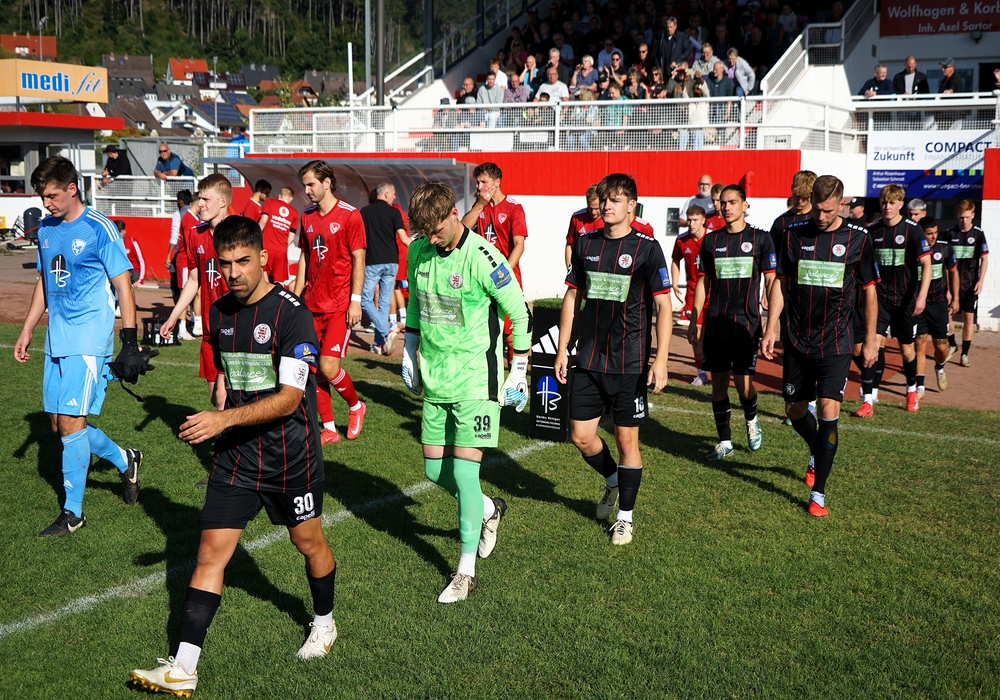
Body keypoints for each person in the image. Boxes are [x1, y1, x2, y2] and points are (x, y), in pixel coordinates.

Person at [130, 217, 339, 697]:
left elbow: (290, 398)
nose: (234, 272)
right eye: (225, 264)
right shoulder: (219, 310)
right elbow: (229, 372)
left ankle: (324, 622)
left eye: (243, 261)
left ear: (264, 258)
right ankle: (184, 667)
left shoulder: (292, 315)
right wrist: (219, 407)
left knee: (308, 544)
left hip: (290, 457)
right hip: (237, 458)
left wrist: (221, 419)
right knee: (209, 553)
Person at [401, 181, 531, 604]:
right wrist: (410, 349)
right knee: (433, 470)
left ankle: (465, 572)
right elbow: (417, 303)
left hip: (477, 378)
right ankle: (489, 509)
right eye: (425, 232)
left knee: (463, 474)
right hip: (436, 377)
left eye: (437, 230)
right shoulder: (419, 250)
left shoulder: (483, 257)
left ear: (454, 214)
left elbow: (519, 311)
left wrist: (520, 369)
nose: (432, 239)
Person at [14, 156, 144, 536]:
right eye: (42, 197)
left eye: (52, 196)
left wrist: (130, 342)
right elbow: (45, 282)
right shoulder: (46, 229)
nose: (46, 203)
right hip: (57, 336)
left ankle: (73, 513)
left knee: (72, 423)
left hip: (89, 337)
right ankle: (126, 459)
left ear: (72, 189)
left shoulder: (99, 227)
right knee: (59, 425)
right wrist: (27, 329)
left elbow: (123, 286)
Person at [554, 173, 672, 545]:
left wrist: (661, 359)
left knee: (626, 441)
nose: (607, 205)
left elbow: (664, 307)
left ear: (631, 205)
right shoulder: (585, 242)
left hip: (629, 362)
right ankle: (613, 480)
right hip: (589, 359)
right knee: (581, 436)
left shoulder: (648, 248)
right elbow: (572, 297)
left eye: (616, 200)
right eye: (604, 199)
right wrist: (563, 347)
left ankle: (625, 518)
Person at [761, 175, 879, 517]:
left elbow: (869, 290)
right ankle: (817, 450)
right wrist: (771, 328)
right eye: (817, 209)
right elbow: (781, 283)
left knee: (828, 410)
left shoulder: (858, 237)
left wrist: (871, 339)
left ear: (841, 204)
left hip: (837, 342)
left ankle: (818, 494)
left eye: (828, 210)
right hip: (798, 339)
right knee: (794, 410)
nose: (822, 216)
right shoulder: (794, 233)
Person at [689, 185, 776, 459]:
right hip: (716, 323)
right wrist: (695, 318)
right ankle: (724, 442)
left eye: (733, 202)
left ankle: (751, 420)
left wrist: (770, 319)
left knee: (743, 385)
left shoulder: (761, 239)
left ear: (745, 205)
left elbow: (771, 279)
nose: (726, 207)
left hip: (746, 324)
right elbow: (703, 281)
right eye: (723, 203)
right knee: (718, 383)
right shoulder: (711, 241)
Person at [292, 160, 368, 444]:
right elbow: (305, 257)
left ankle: (356, 406)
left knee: (328, 367)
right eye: (304, 185)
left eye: (311, 184)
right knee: (311, 369)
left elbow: (359, 258)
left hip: (338, 306)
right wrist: (296, 296)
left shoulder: (350, 215)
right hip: (311, 305)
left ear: (327, 183)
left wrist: (355, 301)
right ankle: (329, 429)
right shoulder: (306, 217)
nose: (307, 191)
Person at [854, 185, 931, 416]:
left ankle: (911, 391)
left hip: (905, 301)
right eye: (884, 202)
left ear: (900, 204)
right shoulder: (871, 231)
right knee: (872, 346)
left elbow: (926, 264)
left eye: (892, 202)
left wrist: (921, 297)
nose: (887, 207)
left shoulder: (913, 230)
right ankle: (867, 400)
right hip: (879, 301)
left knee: (907, 351)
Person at [161, 175, 233, 409]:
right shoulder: (195, 233)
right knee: (215, 398)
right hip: (211, 328)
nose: (200, 204)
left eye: (206, 199)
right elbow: (194, 281)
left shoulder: (239, 231)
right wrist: (173, 316)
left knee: (222, 398)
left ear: (222, 201)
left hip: (234, 326)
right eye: (199, 198)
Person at [461, 162, 528, 361]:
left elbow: (519, 245)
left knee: (510, 334)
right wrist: (479, 205)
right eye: (477, 182)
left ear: (497, 182)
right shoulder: (478, 207)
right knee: (484, 330)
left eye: (484, 182)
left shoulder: (514, 208)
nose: (479, 187)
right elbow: (462, 231)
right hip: (481, 278)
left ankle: (515, 374)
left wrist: (503, 272)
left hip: (506, 276)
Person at [360, 182, 411, 354]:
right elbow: (404, 238)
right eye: (394, 193)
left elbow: (359, 238)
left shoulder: (364, 212)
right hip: (392, 262)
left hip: (373, 262)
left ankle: (385, 330)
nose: (395, 197)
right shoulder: (394, 212)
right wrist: (420, 250)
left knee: (365, 300)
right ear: (386, 194)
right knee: (383, 304)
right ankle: (379, 344)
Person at [912, 217, 959, 398]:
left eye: (935, 233)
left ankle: (939, 368)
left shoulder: (944, 248)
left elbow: (953, 272)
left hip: (939, 304)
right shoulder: (912, 249)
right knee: (919, 344)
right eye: (929, 233)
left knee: (941, 347)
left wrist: (955, 298)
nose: (933, 237)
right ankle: (920, 387)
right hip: (919, 304)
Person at [943, 199, 989, 367]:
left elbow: (984, 259)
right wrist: (946, 286)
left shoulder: (978, 234)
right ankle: (952, 344)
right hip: (951, 284)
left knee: (968, 318)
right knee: (946, 315)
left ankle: (965, 354)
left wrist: (980, 281)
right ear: (957, 215)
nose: (964, 220)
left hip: (970, 284)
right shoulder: (949, 233)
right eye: (961, 217)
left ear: (973, 215)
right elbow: (943, 262)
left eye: (967, 217)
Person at [671, 204, 709, 380]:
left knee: (714, 331)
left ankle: (718, 368)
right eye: (689, 220)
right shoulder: (682, 240)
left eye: (695, 220)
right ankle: (701, 373)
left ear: (703, 220)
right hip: (693, 291)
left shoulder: (713, 238)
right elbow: (675, 260)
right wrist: (675, 283)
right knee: (697, 330)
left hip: (714, 290)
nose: (691, 223)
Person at [168, 191, 198, 340]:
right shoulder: (188, 218)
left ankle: (194, 323)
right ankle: (182, 328)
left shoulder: (191, 217)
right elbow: (186, 242)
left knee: (193, 292)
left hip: (188, 259)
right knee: (184, 293)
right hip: (185, 260)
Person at [258, 186, 299, 286]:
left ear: (280, 195)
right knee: (279, 282)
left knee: (262, 279)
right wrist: (282, 245)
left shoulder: (270, 202)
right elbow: (292, 237)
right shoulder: (294, 213)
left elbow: (263, 222)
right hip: (281, 251)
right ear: (291, 198)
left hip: (266, 248)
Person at [565, 184, 602, 268]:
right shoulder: (577, 218)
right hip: (582, 266)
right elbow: (570, 245)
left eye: (596, 209)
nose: (593, 212)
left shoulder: (609, 218)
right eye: (590, 208)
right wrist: (570, 269)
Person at [117, 219, 146, 287]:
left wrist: (140, 280)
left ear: (124, 231)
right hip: (121, 272)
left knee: (123, 276)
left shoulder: (132, 242)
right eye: (116, 232)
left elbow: (141, 261)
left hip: (133, 272)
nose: (118, 234)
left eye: (120, 232)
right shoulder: (114, 244)